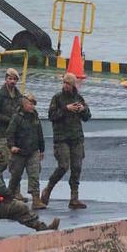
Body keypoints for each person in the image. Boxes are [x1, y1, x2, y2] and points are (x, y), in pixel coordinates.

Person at [39, 72, 92, 210]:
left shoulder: (79, 98)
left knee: (77, 167)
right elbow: (51, 116)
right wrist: (66, 109)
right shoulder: (57, 98)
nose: (65, 86)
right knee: (63, 166)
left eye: (68, 83)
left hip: (76, 138)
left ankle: (74, 198)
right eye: (64, 83)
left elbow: (87, 117)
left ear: (73, 85)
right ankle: (48, 189)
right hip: (61, 138)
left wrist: (83, 109)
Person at [7, 92, 44, 206]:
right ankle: (9, 198)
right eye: (30, 104)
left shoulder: (35, 117)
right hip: (19, 151)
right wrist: (12, 146)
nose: (32, 106)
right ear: (24, 104)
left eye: (33, 104)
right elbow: (10, 133)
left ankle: (36, 199)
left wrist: (41, 150)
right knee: (16, 175)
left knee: (34, 175)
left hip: (33, 151)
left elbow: (40, 134)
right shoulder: (17, 117)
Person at [0, 67, 23, 174]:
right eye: (10, 79)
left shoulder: (19, 96)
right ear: (6, 79)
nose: (12, 81)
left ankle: (14, 190)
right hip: (2, 133)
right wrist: (10, 120)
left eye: (15, 79)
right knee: (5, 161)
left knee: (15, 164)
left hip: (15, 135)